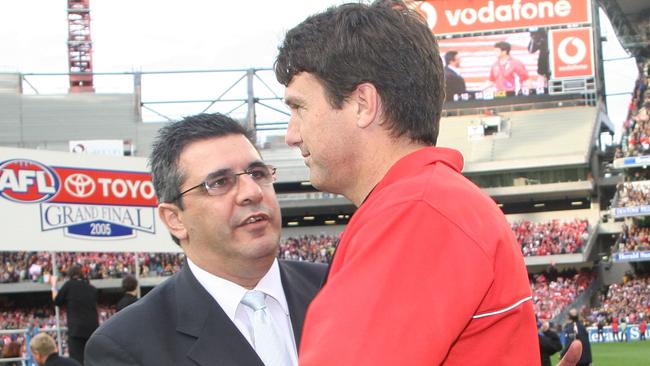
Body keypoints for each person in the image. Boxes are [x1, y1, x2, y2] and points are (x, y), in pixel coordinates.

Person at [276, 1, 581, 365]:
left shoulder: (416, 210)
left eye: (300, 108)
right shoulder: (430, 201)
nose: (291, 135)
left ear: (362, 104)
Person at [84, 113, 327, 366]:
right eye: (219, 182)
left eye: (257, 173)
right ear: (175, 219)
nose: (252, 192)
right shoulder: (126, 346)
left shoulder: (335, 286)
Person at [51, 265, 98, 365]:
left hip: (76, 330)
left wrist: (53, 285)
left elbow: (57, 301)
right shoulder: (91, 288)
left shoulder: (69, 285)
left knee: (77, 361)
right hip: (92, 328)